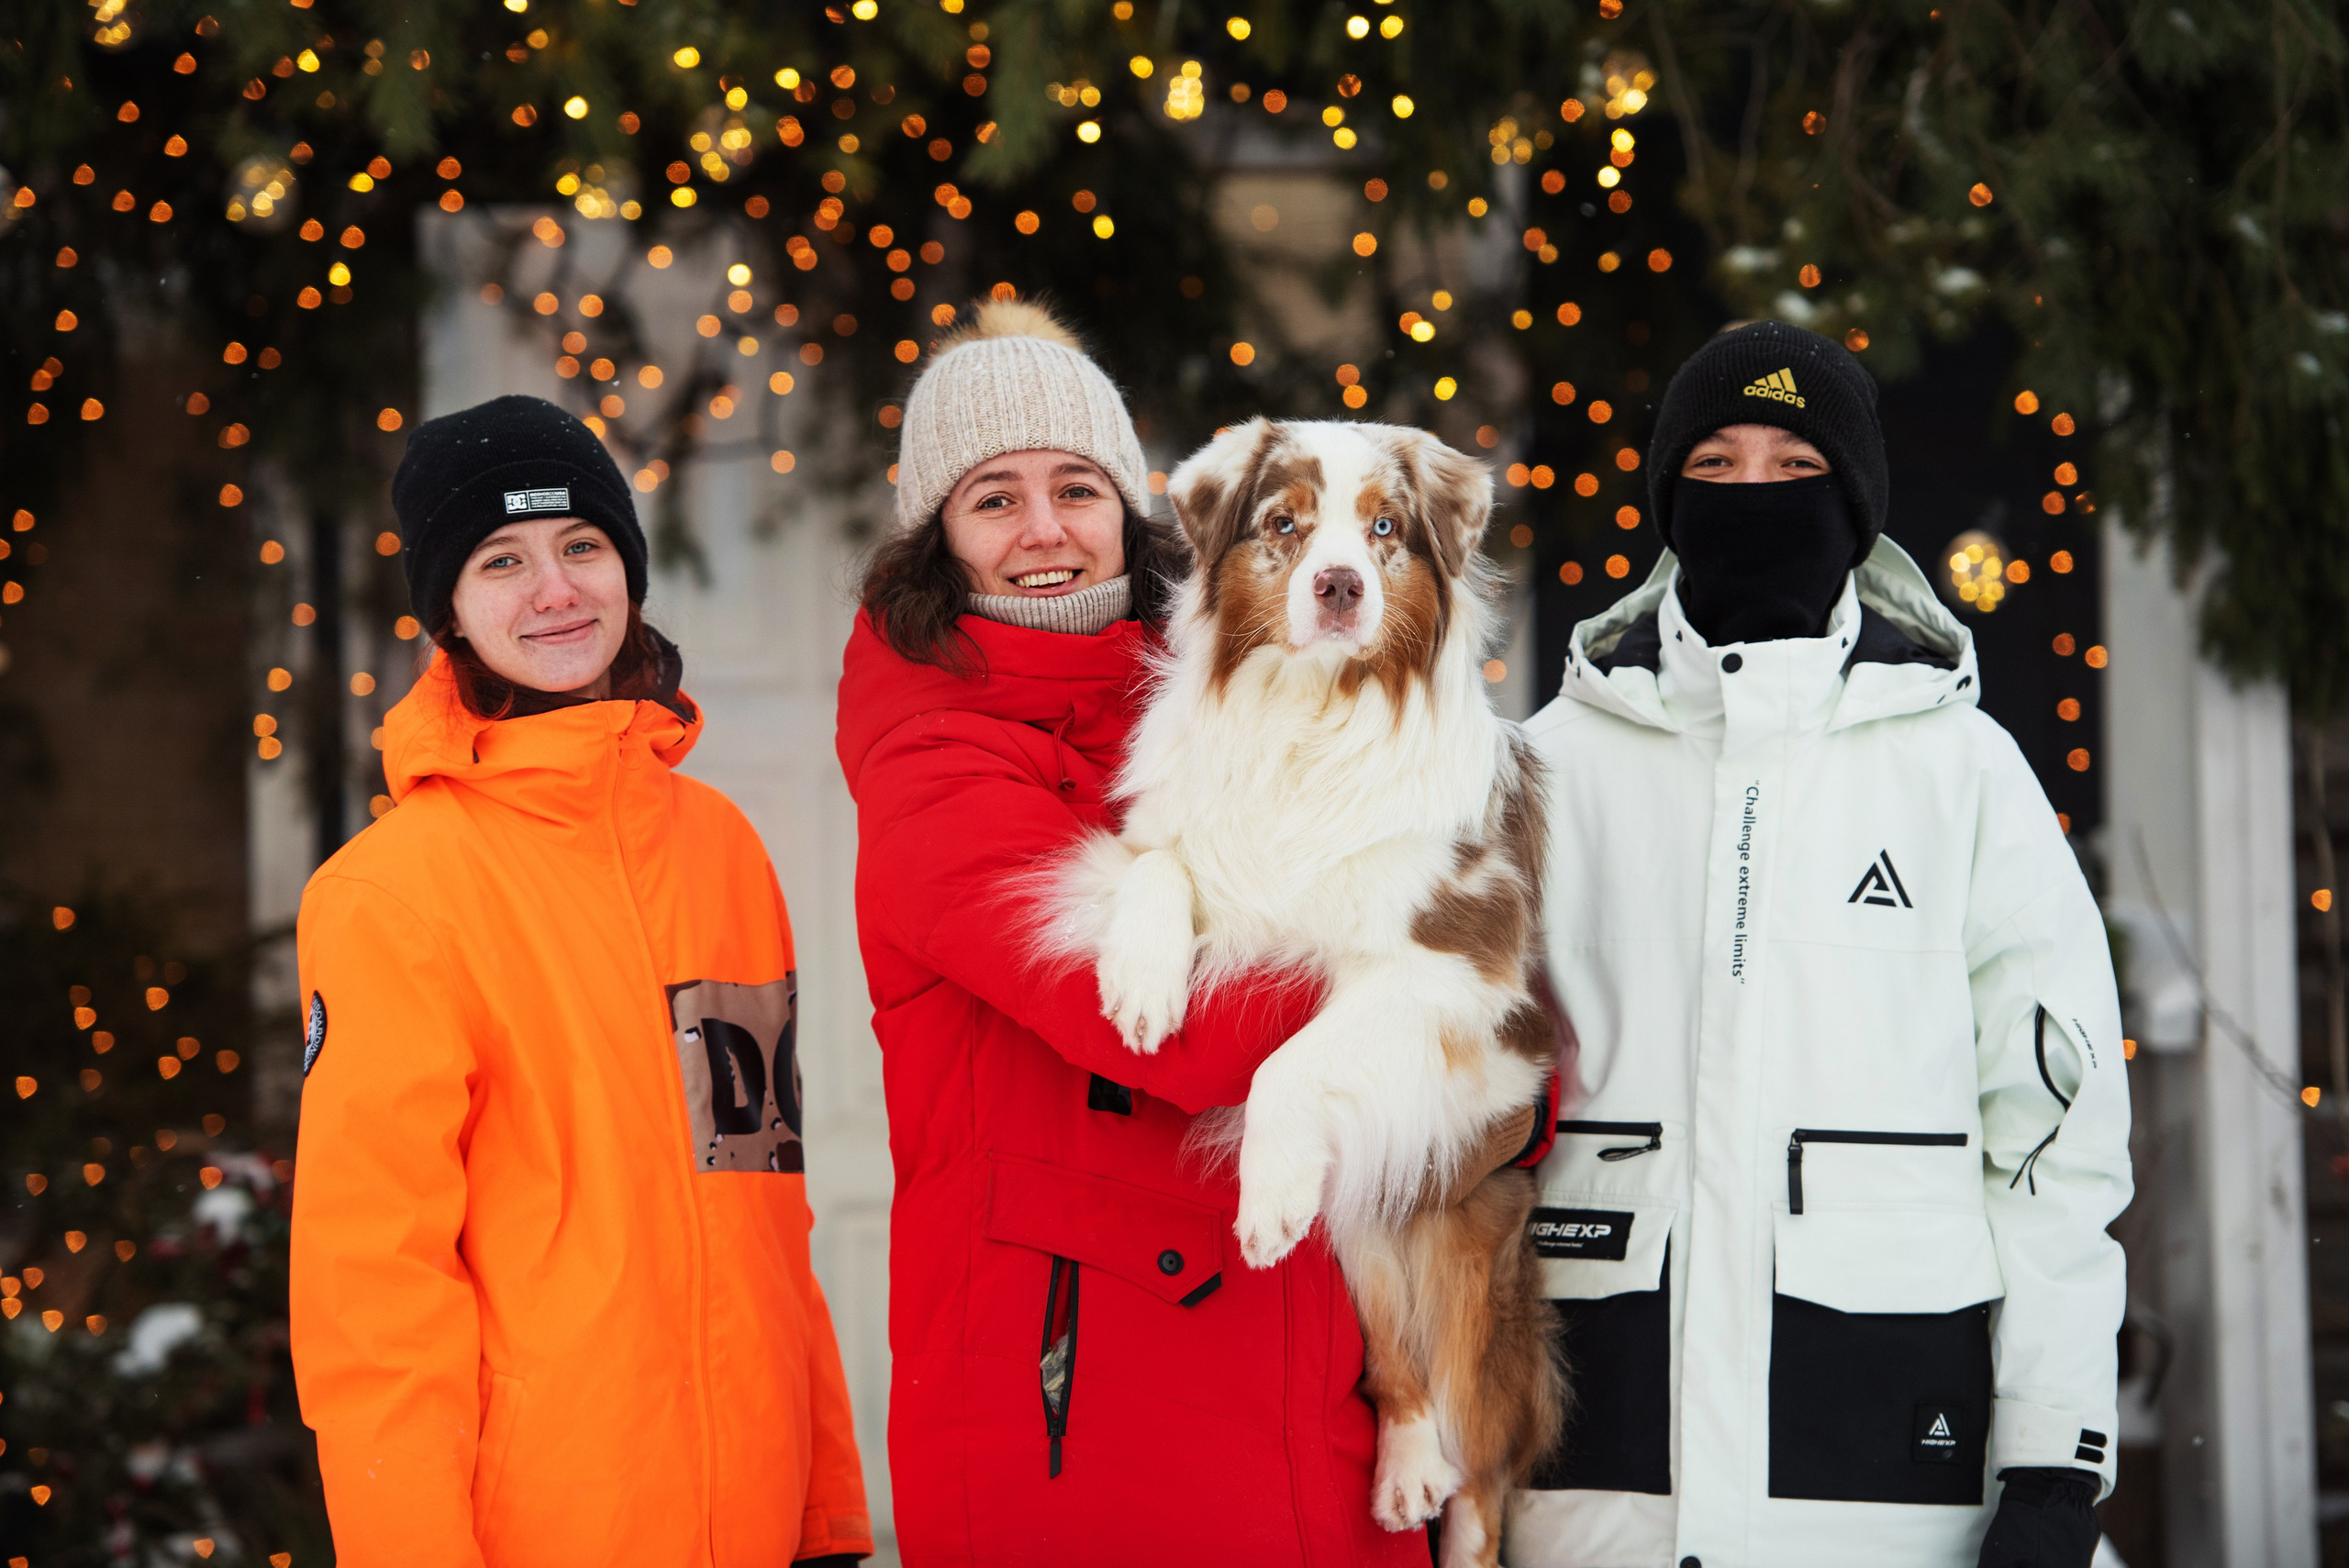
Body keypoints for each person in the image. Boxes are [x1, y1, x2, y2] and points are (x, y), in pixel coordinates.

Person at [836, 301, 1550, 1567]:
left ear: (1134, 510)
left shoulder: (1225, 701)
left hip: (1313, 1403)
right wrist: (1451, 1054)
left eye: (1077, 486)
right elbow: (1193, 1040)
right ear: (936, 539)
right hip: (1087, 1437)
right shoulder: (933, 774)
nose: (1045, 529)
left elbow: (1469, 976)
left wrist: (1482, 1059)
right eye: (993, 499)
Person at [1508, 323, 2131, 1568]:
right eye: (1717, 467)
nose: (1753, 499)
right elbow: (1455, 1125)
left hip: (1892, 1494)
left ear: (1854, 504)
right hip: (1594, 1493)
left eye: (1795, 469)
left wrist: (2055, 1462)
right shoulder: (1545, 772)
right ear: (1668, 500)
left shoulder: (1962, 773)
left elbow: (2057, 1140)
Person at [290, 395, 870, 1568]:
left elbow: (763, 1199)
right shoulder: (389, 893)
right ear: (448, 611)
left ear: (627, 569)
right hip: (545, 1527)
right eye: (501, 561)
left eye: (581, 546)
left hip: (758, 1517)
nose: (554, 590)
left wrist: (824, 1518)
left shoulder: (720, 849)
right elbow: (373, 1291)